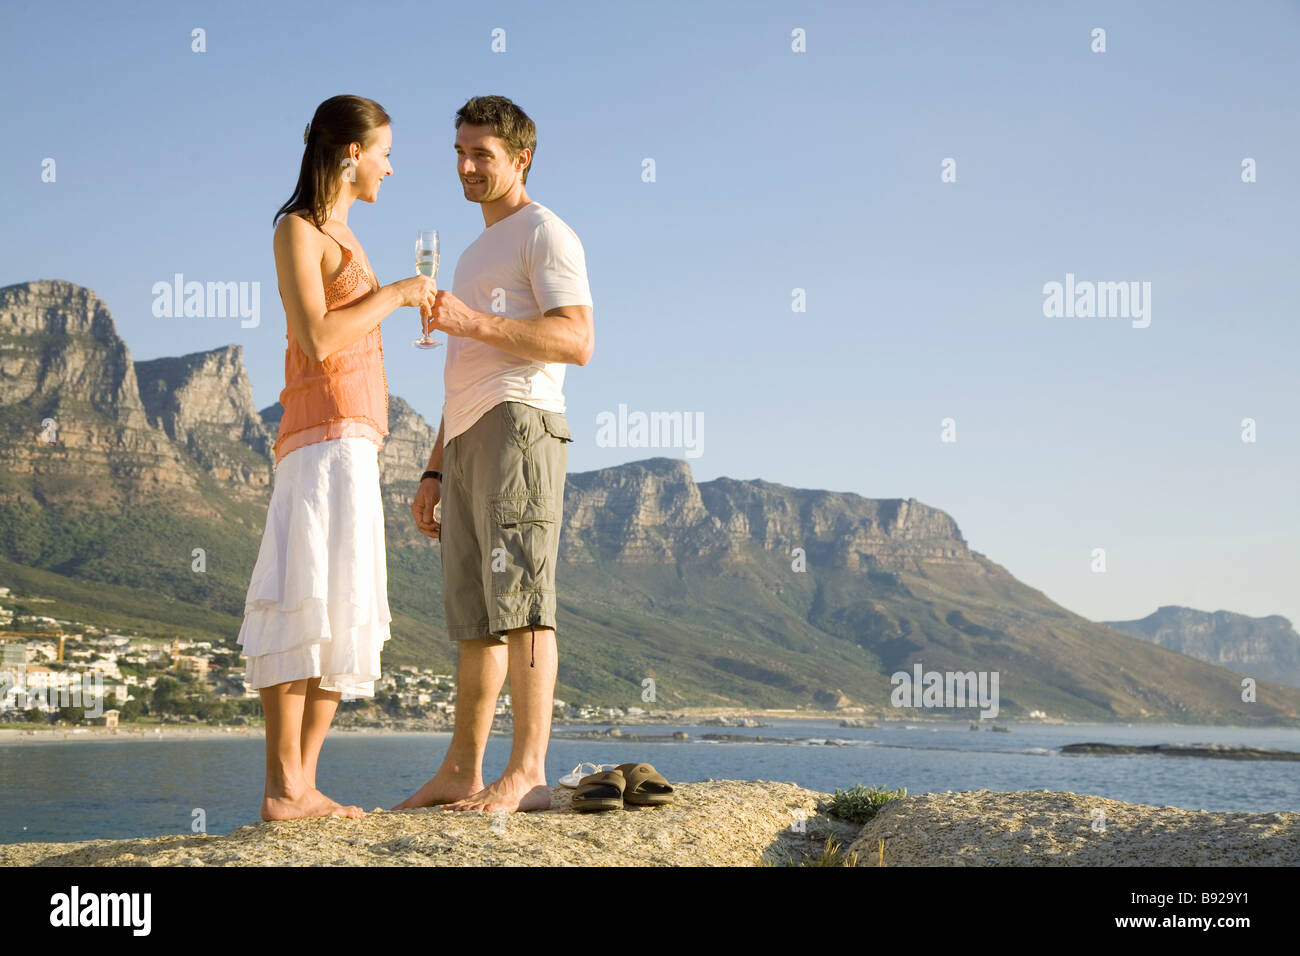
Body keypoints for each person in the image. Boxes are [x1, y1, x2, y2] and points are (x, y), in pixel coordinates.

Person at [393, 95, 594, 813]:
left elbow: (576, 341)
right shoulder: (477, 248)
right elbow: (465, 370)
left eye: (483, 154)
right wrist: (433, 466)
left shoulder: (544, 232)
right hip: (471, 433)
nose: (467, 166)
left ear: (521, 159)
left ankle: (529, 772)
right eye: (460, 153)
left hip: (521, 428)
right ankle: (461, 772)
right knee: (476, 617)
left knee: (525, 607)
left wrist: (471, 318)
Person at [239, 94, 437, 821]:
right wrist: (397, 294)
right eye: (385, 150)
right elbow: (318, 338)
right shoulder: (298, 230)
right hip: (318, 438)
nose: (392, 164)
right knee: (302, 602)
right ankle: (282, 786)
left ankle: (303, 785)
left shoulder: (348, 235)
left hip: (355, 441)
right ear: (351, 154)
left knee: (339, 607)